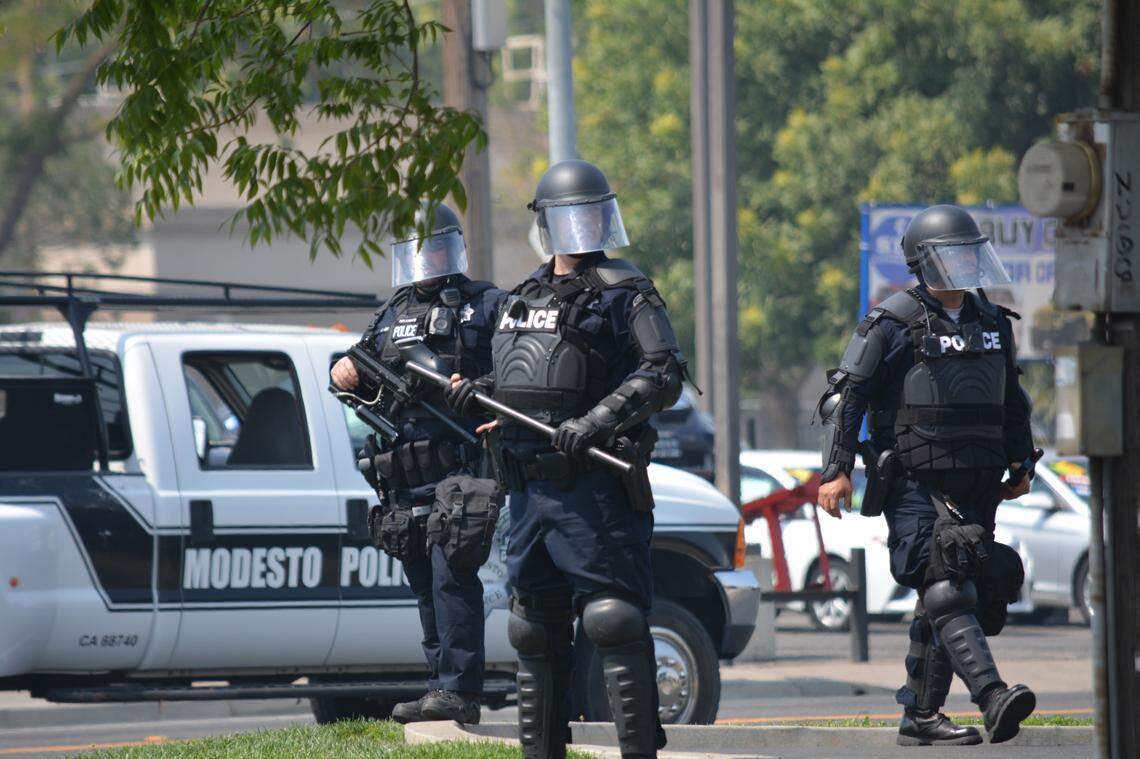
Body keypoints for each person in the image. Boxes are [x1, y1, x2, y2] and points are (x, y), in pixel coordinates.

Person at [445, 159, 686, 758]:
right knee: (532, 627)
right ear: (547, 224)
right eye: (570, 216)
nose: (582, 227)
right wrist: (474, 391)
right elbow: (513, 379)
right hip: (528, 489)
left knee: (613, 620)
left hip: (595, 487)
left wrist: (596, 422)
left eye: (591, 214)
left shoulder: (624, 292)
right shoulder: (521, 297)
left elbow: (663, 376)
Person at [815, 204, 1038, 746]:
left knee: (966, 589)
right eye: (952, 254)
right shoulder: (891, 323)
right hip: (915, 480)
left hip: (980, 482)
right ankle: (992, 695)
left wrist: (1023, 461)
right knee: (943, 582)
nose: (964, 263)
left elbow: (1012, 399)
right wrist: (837, 470)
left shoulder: (992, 323)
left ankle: (920, 715)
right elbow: (844, 399)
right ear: (923, 262)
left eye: (970, 252)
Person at [330, 202, 505, 724]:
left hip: (462, 466)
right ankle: (438, 687)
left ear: (452, 247)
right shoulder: (392, 313)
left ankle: (459, 690)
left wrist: (478, 389)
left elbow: (523, 368)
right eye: (418, 248)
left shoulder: (487, 304)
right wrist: (341, 368)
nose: (428, 257)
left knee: (453, 577)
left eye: (436, 245)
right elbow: (356, 363)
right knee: (424, 582)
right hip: (405, 475)